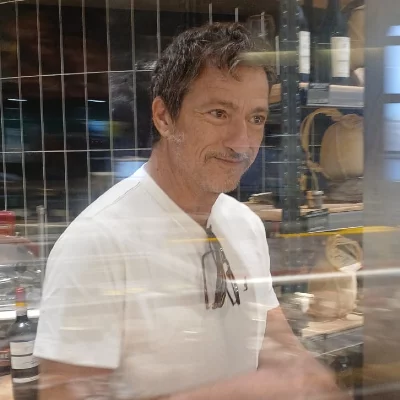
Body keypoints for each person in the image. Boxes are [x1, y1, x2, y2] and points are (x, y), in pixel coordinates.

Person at [34, 23, 349, 400]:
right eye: (218, 113)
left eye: (256, 118)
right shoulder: (96, 243)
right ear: (164, 117)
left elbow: (273, 337)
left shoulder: (245, 225)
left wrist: (306, 374)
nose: (242, 143)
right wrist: (240, 393)